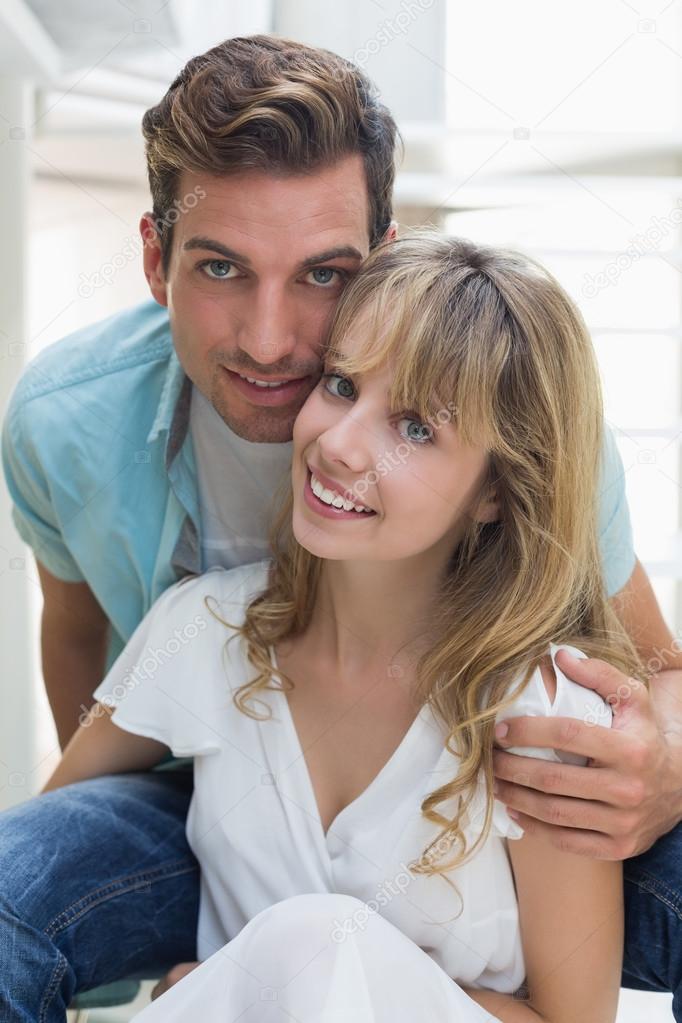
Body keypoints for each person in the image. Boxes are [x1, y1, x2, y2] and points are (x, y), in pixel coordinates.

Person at [0, 32, 680, 1022]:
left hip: (510, 822)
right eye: (222, 267)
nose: (272, 342)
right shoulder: (74, 431)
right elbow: (74, 635)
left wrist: (661, 766)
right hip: (211, 792)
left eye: (322, 274)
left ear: (382, 260)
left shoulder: (524, 454)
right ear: (156, 259)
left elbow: (660, 666)